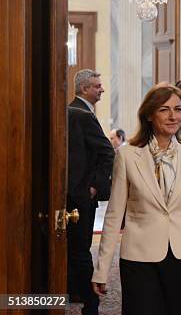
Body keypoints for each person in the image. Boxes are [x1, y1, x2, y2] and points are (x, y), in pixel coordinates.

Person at [91, 83, 181, 315]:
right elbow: (114, 214)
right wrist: (101, 269)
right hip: (140, 256)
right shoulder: (127, 155)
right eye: (164, 109)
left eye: (178, 109)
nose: (173, 116)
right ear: (149, 114)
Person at [67, 106, 115, 315]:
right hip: (44, 199)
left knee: (79, 254)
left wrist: (94, 186)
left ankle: (91, 305)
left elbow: (107, 153)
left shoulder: (81, 117)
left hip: (77, 199)